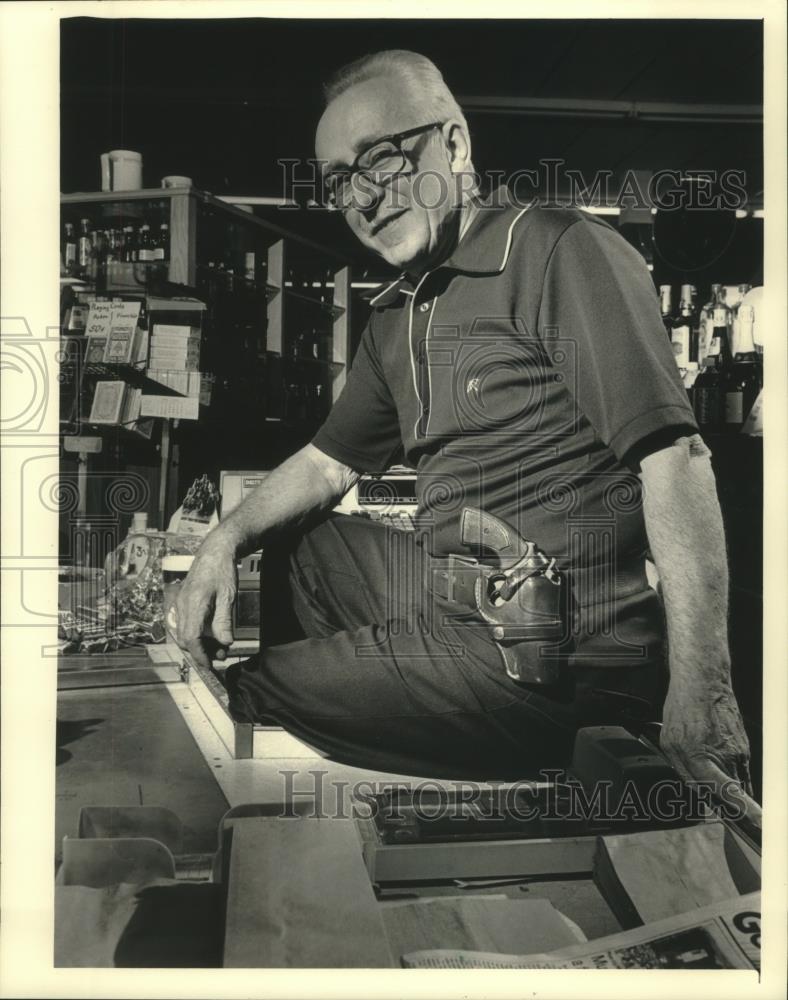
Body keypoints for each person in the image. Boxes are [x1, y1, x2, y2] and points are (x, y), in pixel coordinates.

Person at [173, 50, 755, 808]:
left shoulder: (559, 251)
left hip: (555, 655)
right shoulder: (398, 311)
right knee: (299, 549)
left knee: (251, 690)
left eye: (381, 159)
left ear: (454, 145)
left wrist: (703, 688)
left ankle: (355, 734)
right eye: (341, 181)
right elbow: (326, 465)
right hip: (460, 597)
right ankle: (387, 725)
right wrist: (219, 542)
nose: (364, 196)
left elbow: (677, 460)